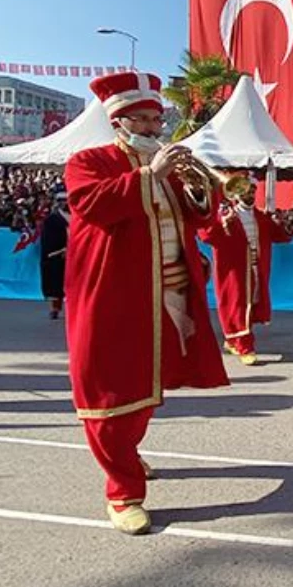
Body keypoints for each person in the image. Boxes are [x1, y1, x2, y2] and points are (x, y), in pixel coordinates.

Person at [65, 71, 229, 534]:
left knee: (150, 384)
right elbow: (92, 204)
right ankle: (123, 493)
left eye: (158, 120)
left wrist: (205, 186)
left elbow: (198, 219)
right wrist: (148, 176)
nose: (156, 129)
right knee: (112, 389)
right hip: (114, 296)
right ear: (120, 121)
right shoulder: (88, 160)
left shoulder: (168, 168)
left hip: (171, 293)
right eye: (145, 121)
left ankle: (127, 451)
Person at [199, 179, 293, 366]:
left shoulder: (260, 216)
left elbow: (281, 236)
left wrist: (282, 222)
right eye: (245, 193)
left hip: (255, 268)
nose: (249, 196)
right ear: (236, 195)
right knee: (236, 306)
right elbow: (206, 236)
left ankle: (233, 340)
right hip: (234, 271)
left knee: (250, 305)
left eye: (252, 192)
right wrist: (221, 223)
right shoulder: (226, 215)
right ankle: (245, 348)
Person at [39, 190, 70, 320]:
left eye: (66, 200)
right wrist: (60, 250)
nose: (64, 203)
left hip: (77, 253)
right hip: (58, 254)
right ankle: (55, 308)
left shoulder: (80, 216)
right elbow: (48, 239)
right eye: (61, 201)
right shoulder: (52, 219)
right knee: (56, 282)